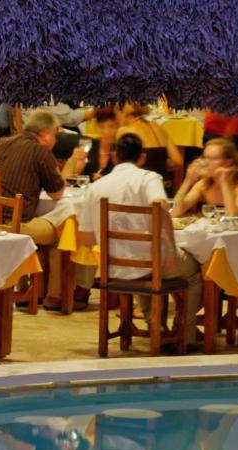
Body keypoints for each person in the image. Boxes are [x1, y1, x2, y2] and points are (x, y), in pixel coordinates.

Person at [78, 134, 203, 348]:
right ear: (142, 157)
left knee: (142, 264)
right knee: (194, 270)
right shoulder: (148, 178)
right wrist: (170, 249)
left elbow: (86, 239)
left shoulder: (95, 187)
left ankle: (155, 327)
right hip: (150, 264)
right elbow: (160, 206)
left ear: (115, 157)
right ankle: (186, 334)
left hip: (112, 267)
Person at [0, 109, 87, 309]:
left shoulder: (2, 143)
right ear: (45, 133)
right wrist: (71, 165)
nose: (56, 140)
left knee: (51, 222)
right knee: (63, 230)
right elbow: (56, 193)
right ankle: (55, 295)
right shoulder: (40, 151)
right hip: (11, 224)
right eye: (55, 134)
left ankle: (33, 289)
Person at [172, 138, 238, 220]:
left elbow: (235, 218)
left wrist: (224, 183)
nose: (206, 163)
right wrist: (187, 181)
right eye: (205, 157)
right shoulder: (204, 184)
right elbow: (174, 212)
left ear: (228, 162)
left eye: (213, 158)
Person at [117, 102, 183, 172]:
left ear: (124, 112)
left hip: (140, 178)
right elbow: (178, 161)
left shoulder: (124, 131)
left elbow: (120, 166)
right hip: (161, 178)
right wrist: (159, 168)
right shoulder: (160, 128)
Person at [82, 106, 119, 180]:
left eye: (111, 127)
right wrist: (72, 162)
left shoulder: (121, 151)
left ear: (118, 127)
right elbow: (71, 167)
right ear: (97, 128)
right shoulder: (87, 145)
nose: (106, 131)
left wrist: (104, 181)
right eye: (102, 127)